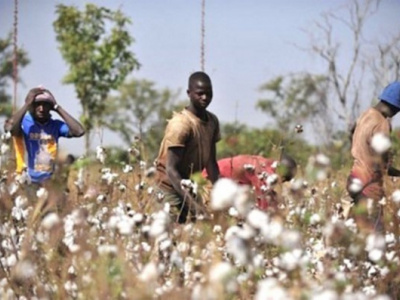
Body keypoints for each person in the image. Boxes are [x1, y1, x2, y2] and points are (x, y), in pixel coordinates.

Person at [155, 71, 220, 223]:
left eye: (209, 94)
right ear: (189, 93)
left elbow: (211, 163)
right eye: (200, 94)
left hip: (190, 186)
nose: (205, 98)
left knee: (192, 236)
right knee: (170, 234)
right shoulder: (181, 124)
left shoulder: (212, 122)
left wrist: (220, 193)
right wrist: (194, 205)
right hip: (169, 187)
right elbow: (171, 170)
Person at [346, 81, 400, 233]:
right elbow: (382, 162)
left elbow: (351, 130)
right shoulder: (382, 123)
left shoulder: (366, 114)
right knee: (376, 234)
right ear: (396, 105)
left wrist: (361, 149)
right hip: (368, 185)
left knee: (360, 231)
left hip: (354, 178)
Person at [5, 86, 85, 185]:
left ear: (50, 107)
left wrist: (57, 107)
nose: (41, 109)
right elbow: (10, 128)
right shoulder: (23, 123)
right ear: (31, 106)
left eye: (45, 105)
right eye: (37, 104)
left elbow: (79, 131)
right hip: (26, 180)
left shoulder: (56, 125)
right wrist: (26, 104)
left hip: (49, 182)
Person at [203, 154, 297, 211]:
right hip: (211, 180)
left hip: (219, 179)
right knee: (211, 217)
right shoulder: (264, 173)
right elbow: (263, 201)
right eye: (283, 180)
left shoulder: (265, 165)